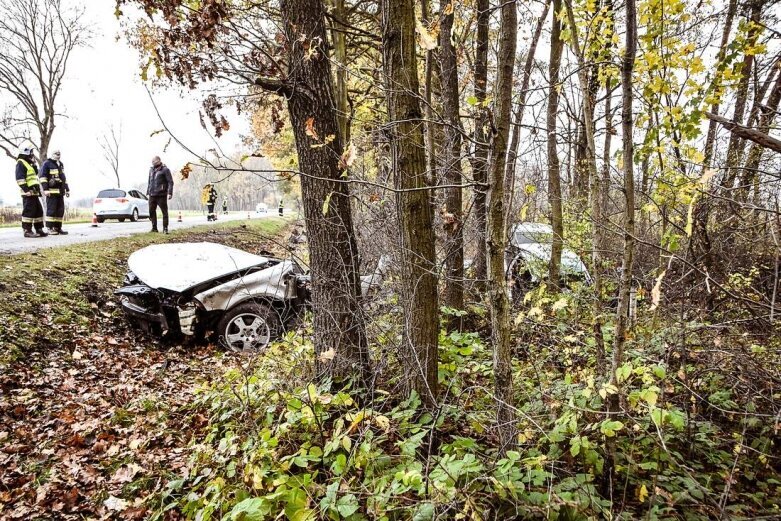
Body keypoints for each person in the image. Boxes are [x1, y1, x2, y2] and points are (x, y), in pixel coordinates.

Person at [15, 147, 47, 238]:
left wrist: (34, 164)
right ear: (26, 153)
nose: (32, 154)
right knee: (29, 212)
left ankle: (39, 229)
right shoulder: (20, 163)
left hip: (34, 192)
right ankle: (27, 230)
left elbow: (35, 174)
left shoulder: (29, 163)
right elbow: (20, 178)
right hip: (28, 193)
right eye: (31, 153)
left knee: (38, 211)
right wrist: (26, 190)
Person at [40, 150, 70, 235]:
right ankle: (49, 228)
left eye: (59, 154)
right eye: (56, 154)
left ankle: (57, 228)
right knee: (51, 210)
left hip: (60, 192)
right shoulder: (47, 164)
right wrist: (45, 189)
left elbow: (63, 178)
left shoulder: (60, 164)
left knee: (60, 210)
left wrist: (67, 189)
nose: (58, 156)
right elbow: (43, 177)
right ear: (52, 155)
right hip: (51, 192)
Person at [146, 156, 173, 233]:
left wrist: (170, 193)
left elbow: (170, 182)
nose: (153, 162)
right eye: (152, 161)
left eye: (154, 161)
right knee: (151, 211)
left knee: (164, 212)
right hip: (152, 195)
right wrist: (148, 192)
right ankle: (154, 228)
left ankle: (165, 228)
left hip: (161, 195)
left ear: (159, 161)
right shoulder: (151, 170)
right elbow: (149, 182)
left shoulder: (165, 170)